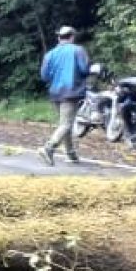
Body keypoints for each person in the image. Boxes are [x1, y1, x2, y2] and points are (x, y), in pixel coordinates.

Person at [39, 25, 90, 166]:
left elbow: (44, 76)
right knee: (66, 124)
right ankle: (49, 147)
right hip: (71, 91)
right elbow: (84, 69)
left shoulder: (49, 54)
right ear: (72, 37)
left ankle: (70, 154)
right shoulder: (78, 50)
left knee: (64, 124)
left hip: (55, 92)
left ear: (59, 37)